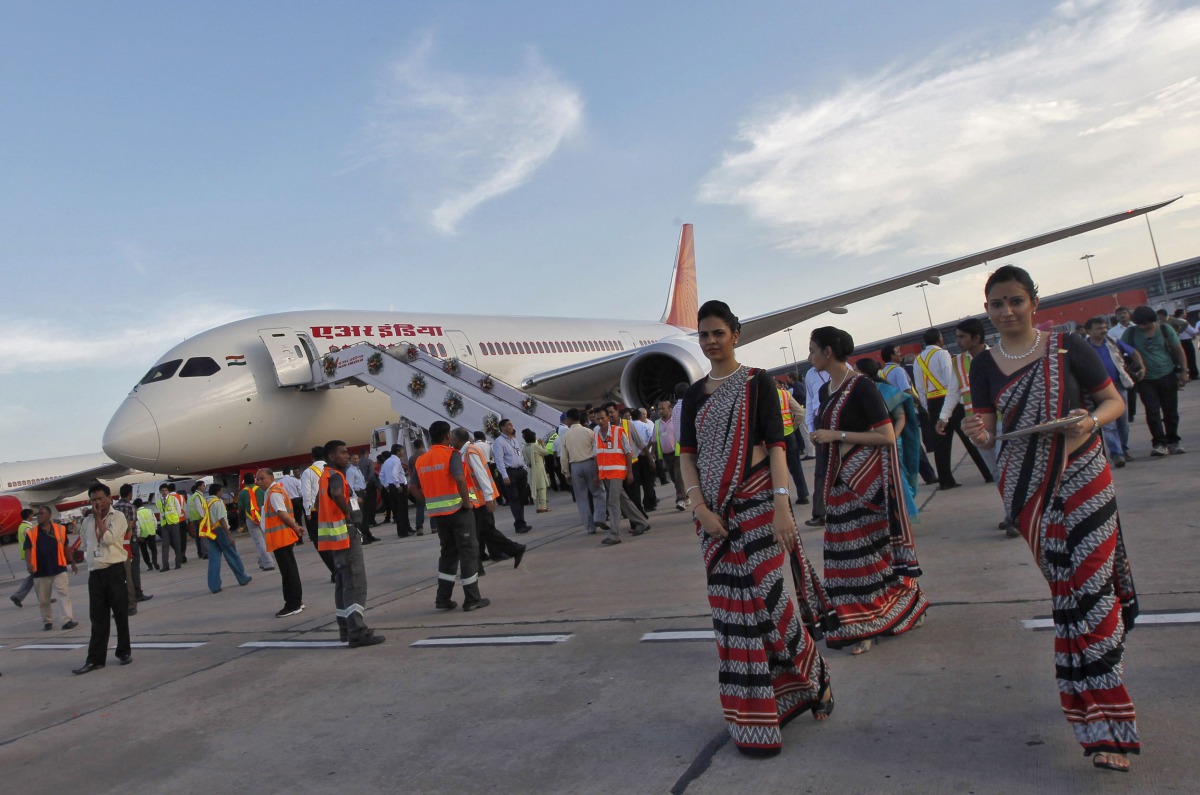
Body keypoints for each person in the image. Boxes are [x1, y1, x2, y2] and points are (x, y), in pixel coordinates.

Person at [963, 265, 1140, 772]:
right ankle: (1094, 705)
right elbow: (990, 431)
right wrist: (979, 430)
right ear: (988, 309)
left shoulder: (1067, 347)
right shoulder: (983, 365)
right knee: (1071, 596)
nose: (1007, 311)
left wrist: (1089, 419)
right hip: (1028, 492)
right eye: (997, 304)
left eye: (1015, 300)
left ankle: (1111, 728)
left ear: (1034, 303)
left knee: (1090, 591)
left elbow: (1112, 401)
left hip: (1084, 475)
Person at [679, 300, 833, 756]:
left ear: (736, 335)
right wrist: (700, 508)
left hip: (758, 503)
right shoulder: (693, 396)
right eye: (704, 334)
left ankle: (815, 678)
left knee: (771, 601)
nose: (710, 341)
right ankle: (754, 718)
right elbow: (686, 455)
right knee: (732, 617)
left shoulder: (757, 382)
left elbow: (778, 446)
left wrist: (783, 505)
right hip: (713, 518)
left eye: (718, 333)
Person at [810, 326, 928, 655]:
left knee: (868, 556)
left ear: (828, 352)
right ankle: (861, 619)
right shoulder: (825, 391)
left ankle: (873, 619)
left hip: (862, 482)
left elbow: (887, 436)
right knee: (844, 560)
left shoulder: (861, 386)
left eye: (813, 350)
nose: (810, 356)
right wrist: (823, 436)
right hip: (837, 484)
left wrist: (838, 436)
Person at [410, 422, 489, 612]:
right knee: (468, 552)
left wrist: (428, 503)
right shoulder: (451, 455)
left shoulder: (421, 460)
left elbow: (412, 488)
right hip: (458, 512)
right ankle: (472, 599)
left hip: (438, 515)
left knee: (448, 554)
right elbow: (460, 478)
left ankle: (443, 599)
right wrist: (467, 502)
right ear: (447, 437)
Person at [319, 440, 385, 646]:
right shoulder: (336, 476)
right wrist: (348, 512)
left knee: (343, 584)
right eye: (343, 453)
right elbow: (338, 494)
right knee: (355, 583)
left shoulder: (324, 476)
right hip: (345, 535)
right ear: (331, 456)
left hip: (333, 539)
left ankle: (346, 629)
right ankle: (358, 631)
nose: (347, 456)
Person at [73, 483, 133, 674]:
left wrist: (99, 519)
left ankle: (123, 651)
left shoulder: (118, 517)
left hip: (114, 570)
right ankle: (95, 659)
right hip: (96, 574)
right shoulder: (87, 521)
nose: (97, 502)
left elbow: (108, 539)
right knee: (98, 618)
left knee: (120, 613)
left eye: (100, 498)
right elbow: (85, 544)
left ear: (109, 498)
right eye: (93, 499)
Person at [855, 359, 919, 519]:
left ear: (864, 373)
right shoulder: (858, 393)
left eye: (855, 370)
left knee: (899, 479)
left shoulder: (887, 390)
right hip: (872, 443)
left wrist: (892, 439)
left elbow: (900, 418)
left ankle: (906, 515)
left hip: (891, 443)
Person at [1122, 305, 1189, 456]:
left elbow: (1178, 350)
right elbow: (1121, 350)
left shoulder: (1165, 330)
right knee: (1152, 411)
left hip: (1167, 374)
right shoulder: (1131, 333)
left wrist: (1184, 371)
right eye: (1140, 324)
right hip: (1145, 379)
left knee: (1170, 410)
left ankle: (1173, 441)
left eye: (1146, 323)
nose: (1143, 327)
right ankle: (1159, 443)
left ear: (1154, 320)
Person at [936, 319, 995, 484]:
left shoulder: (997, 356)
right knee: (996, 472)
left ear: (976, 338)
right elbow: (953, 392)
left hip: (1001, 422)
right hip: (976, 426)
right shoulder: (958, 362)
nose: (958, 341)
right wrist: (944, 417)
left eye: (962, 337)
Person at [457, 427, 526, 569]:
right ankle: (514, 549)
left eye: (452, 439)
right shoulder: (465, 451)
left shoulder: (470, 452)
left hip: (481, 499)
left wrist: (488, 498)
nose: (450, 441)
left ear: (458, 439)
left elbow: (481, 474)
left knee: (478, 532)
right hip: (478, 498)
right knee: (485, 531)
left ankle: (477, 566)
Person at [1084, 316, 1141, 467]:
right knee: (1109, 423)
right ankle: (1117, 455)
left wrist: (1141, 366)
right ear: (1088, 331)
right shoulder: (1084, 348)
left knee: (1123, 421)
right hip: (1098, 390)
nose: (1103, 331)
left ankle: (1123, 449)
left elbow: (1133, 352)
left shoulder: (1112, 342)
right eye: (1099, 328)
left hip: (1118, 385)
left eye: (1104, 327)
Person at [593, 407, 651, 545]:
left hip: (618, 472)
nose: (600, 421)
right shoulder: (596, 433)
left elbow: (628, 452)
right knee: (623, 499)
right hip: (605, 473)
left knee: (613, 502)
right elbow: (597, 455)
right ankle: (642, 522)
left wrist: (629, 471)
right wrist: (597, 474)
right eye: (598, 419)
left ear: (608, 418)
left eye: (603, 418)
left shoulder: (618, 431)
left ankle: (614, 534)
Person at [254, 469, 305, 618]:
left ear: (271, 478)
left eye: (261, 479)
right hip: (281, 538)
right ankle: (297, 601)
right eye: (257, 479)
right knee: (290, 571)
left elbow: (282, 513)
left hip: (281, 538)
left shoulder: (274, 493)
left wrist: (295, 527)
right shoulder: (273, 491)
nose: (259, 482)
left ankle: (292, 604)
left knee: (288, 573)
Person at [914, 328, 960, 490]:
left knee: (941, 443)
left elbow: (919, 387)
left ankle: (945, 481)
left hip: (932, 401)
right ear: (940, 339)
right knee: (968, 438)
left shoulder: (918, 360)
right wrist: (956, 400)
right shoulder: (942, 354)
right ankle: (987, 473)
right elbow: (950, 378)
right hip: (948, 399)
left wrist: (926, 407)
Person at [23, 505, 78, 631]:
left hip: (59, 568)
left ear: (49, 515)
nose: (38, 516)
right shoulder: (31, 533)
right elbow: (27, 550)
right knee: (44, 600)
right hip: (40, 571)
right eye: (37, 514)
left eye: (41, 513)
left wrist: (72, 562)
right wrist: (29, 564)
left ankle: (67, 620)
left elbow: (66, 547)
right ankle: (47, 621)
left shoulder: (60, 529)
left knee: (63, 594)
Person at [198, 483, 252, 594]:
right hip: (221, 531)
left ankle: (214, 586)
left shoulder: (205, 502)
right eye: (221, 491)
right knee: (232, 554)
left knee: (214, 558)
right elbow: (222, 520)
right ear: (218, 492)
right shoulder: (218, 502)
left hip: (211, 531)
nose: (222, 493)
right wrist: (229, 536)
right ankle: (242, 578)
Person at [558, 408, 606, 534]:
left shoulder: (565, 436)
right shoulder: (588, 432)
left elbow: (563, 457)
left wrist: (567, 473)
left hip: (575, 466)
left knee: (582, 497)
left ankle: (590, 527)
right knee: (598, 492)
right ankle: (599, 517)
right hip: (590, 463)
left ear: (568, 420)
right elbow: (597, 450)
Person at [113, 484, 150, 612]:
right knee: (134, 568)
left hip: (117, 542)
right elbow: (131, 525)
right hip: (130, 541)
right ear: (129, 494)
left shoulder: (114, 507)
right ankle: (137, 593)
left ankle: (129, 596)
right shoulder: (131, 507)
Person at [803, 363, 831, 526]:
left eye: (813, 351)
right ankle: (820, 513)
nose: (810, 356)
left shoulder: (846, 369)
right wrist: (811, 428)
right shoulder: (810, 374)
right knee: (820, 471)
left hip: (839, 420)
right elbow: (809, 402)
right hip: (820, 421)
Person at [493, 419, 533, 533]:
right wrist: (504, 475)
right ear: (502, 427)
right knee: (514, 498)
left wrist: (524, 468)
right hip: (510, 472)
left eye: (511, 424)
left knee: (521, 498)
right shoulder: (499, 442)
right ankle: (519, 524)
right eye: (508, 425)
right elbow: (499, 460)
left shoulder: (515, 440)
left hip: (520, 471)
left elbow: (519, 455)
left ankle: (521, 521)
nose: (511, 426)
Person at [301, 447, 335, 576]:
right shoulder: (331, 469)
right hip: (332, 509)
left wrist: (308, 512)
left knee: (321, 543)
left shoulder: (308, 472)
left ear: (312, 457)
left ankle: (334, 571)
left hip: (317, 512)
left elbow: (306, 494)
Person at [777, 382, 811, 505]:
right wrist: (793, 426)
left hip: (773, 438)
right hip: (789, 435)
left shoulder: (761, 397)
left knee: (776, 470)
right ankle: (803, 495)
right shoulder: (785, 394)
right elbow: (800, 412)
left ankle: (781, 499)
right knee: (796, 466)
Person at [381, 443, 413, 537]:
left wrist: (386, 485)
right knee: (402, 509)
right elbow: (394, 473)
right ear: (397, 451)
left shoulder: (387, 461)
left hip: (391, 487)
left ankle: (406, 528)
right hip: (399, 486)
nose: (403, 452)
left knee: (398, 509)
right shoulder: (396, 461)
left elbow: (381, 475)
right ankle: (403, 531)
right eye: (401, 450)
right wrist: (397, 485)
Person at [346, 453, 379, 544]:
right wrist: (356, 498)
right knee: (359, 518)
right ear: (350, 460)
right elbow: (350, 486)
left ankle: (368, 535)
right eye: (354, 459)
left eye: (357, 458)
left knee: (366, 517)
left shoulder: (358, 469)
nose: (356, 460)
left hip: (363, 492)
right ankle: (362, 538)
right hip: (356, 495)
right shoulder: (350, 471)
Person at [155, 483, 186, 570]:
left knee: (176, 543)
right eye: (162, 491)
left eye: (165, 490)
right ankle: (165, 565)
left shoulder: (173, 499)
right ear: (160, 492)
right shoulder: (158, 501)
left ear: (168, 491)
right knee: (165, 546)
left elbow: (179, 510)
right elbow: (161, 513)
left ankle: (178, 563)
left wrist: (175, 520)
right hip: (165, 525)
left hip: (174, 523)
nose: (164, 492)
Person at [9, 508, 35, 608]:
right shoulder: (27, 528)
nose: (33, 517)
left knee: (36, 577)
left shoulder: (21, 526)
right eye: (32, 515)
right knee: (36, 577)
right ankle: (17, 596)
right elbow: (32, 542)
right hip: (31, 555)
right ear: (29, 516)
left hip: (27, 555)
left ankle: (44, 597)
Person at [521, 429, 551, 513]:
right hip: (538, 469)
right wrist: (543, 444)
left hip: (530, 470)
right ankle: (543, 506)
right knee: (541, 488)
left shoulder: (524, 448)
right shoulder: (535, 446)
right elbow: (546, 452)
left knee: (534, 488)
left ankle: (537, 506)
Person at [407, 440, 427, 535]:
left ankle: (419, 528)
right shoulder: (427, 455)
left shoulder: (411, 458)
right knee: (432, 506)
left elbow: (411, 474)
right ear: (422, 445)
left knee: (420, 507)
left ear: (414, 447)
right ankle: (435, 527)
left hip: (417, 485)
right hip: (427, 484)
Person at [186, 481, 209, 559]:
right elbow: (199, 507)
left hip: (194, 518)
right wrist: (203, 517)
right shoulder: (197, 496)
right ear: (199, 487)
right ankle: (205, 553)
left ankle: (200, 553)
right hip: (200, 518)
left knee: (198, 537)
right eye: (203, 485)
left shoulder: (191, 497)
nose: (204, 487)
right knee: (203, 536)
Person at [134, 498, 159, 570]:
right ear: (142, 504)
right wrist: (155, 529)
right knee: (153, 549)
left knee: (144, 551)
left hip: (142, 535)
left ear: (135, 506)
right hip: (151, 532)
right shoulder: (149, 511)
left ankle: (149, 565)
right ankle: (155, 561)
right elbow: (155, 521)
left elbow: (137, 525)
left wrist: (139, 535)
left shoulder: (137, 513)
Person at [1173, 308, 1199, 379]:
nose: (1185, 314)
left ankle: (1186, 374)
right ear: (1181, 314)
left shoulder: (1174, 322)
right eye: (1184, 313)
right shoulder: (1183, 322)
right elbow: (1193, 331)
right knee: (1191, 358)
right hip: (1187, 341)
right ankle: (1194, 374)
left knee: (1183, 359)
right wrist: (1194, 335)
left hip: (1179, 342)